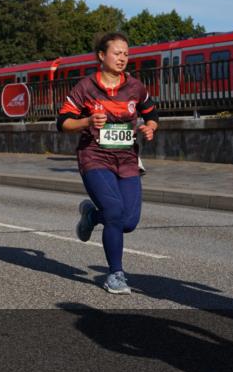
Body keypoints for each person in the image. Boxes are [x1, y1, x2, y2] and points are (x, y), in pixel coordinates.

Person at [58, 31, 159, 295]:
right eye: (117, 53)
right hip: (94, 155)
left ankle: (92, 215)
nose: (122, 58)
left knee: (128, 222)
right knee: (114, 210)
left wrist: (150, 127)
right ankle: (115, 274)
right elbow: (63, 123)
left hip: (126, 158)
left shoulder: (135, 87)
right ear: (102, 56)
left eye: (126, 53)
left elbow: (151, 114)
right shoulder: (86, 87)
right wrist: (87, 121)